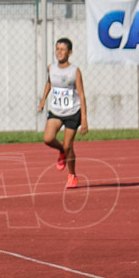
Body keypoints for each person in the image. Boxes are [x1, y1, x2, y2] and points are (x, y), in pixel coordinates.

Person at [38, 37, 88, 188]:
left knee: (68, 145)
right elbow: (49, 82)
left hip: (73, 112)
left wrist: (84, 120)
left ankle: (72, 175)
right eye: (57, 49)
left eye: (62, 49)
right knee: (48, 138)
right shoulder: (51, 68)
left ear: (70, 52)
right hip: (56, 111)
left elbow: (81, 94)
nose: (59, 52)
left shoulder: (74, 71)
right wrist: (43, 100)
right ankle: (62, 152)